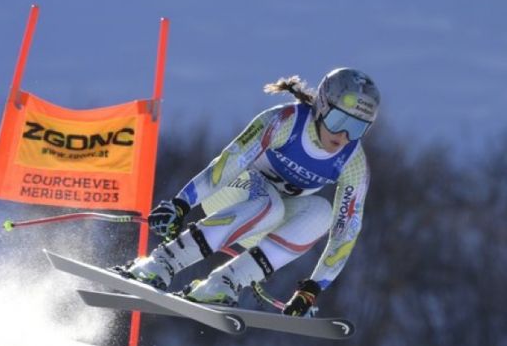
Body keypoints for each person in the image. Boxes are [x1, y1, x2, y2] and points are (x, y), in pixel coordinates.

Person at [118, 67, 380, 316]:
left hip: (268, 219)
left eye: (357, 127)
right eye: (338, 121)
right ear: (322, 107)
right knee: (269, 205)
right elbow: (225, 166)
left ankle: (225, 282)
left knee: (322, 212)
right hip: (234, 193)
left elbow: (347, 231)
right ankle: (163, 261)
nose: (344, 135)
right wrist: (181, 204)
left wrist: (313, 288)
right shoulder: (285, 122)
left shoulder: (352, 162)